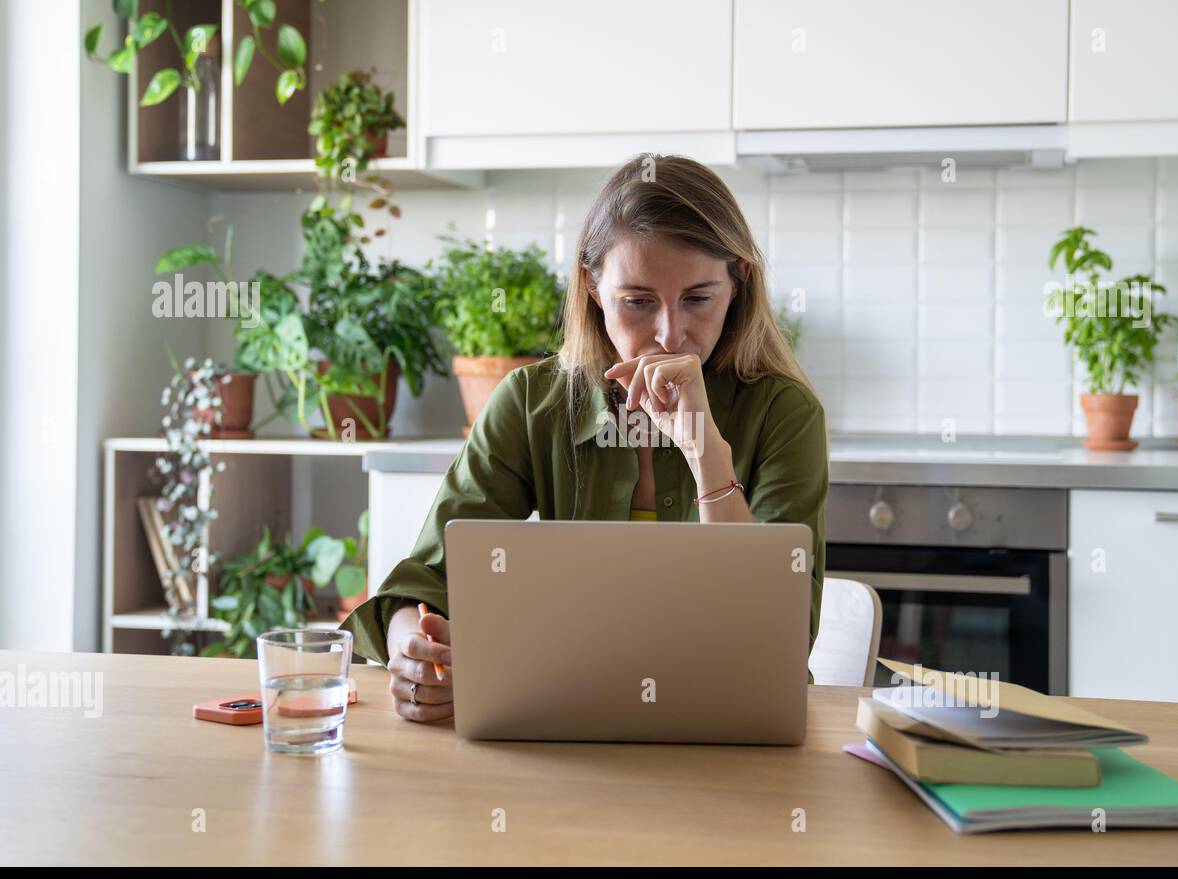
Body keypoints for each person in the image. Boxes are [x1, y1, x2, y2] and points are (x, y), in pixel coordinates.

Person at [341, 153, 829, 723]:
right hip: (568, 735)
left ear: (738, 284)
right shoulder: (531, 403)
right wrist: (414, 655)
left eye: (698, 298)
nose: (671, 332)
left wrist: (705, 454)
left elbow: (774, 639)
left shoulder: (783, 414)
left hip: (735, 733)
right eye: (638, 301)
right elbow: (424, 583)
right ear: (592, 287)